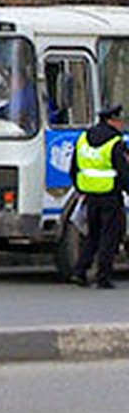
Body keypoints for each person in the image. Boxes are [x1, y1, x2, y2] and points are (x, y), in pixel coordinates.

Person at [68, 102, 129, 288]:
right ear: (112, 121)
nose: (122, 125)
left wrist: (81, 189)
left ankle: (80, 271)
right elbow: (123, 172)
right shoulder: (114, 143)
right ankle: (103, 276)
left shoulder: (83, 139)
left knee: (91, 236)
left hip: (89, 196)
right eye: (120, 121)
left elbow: (74, 169)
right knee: (109, 237)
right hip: (110, 196)